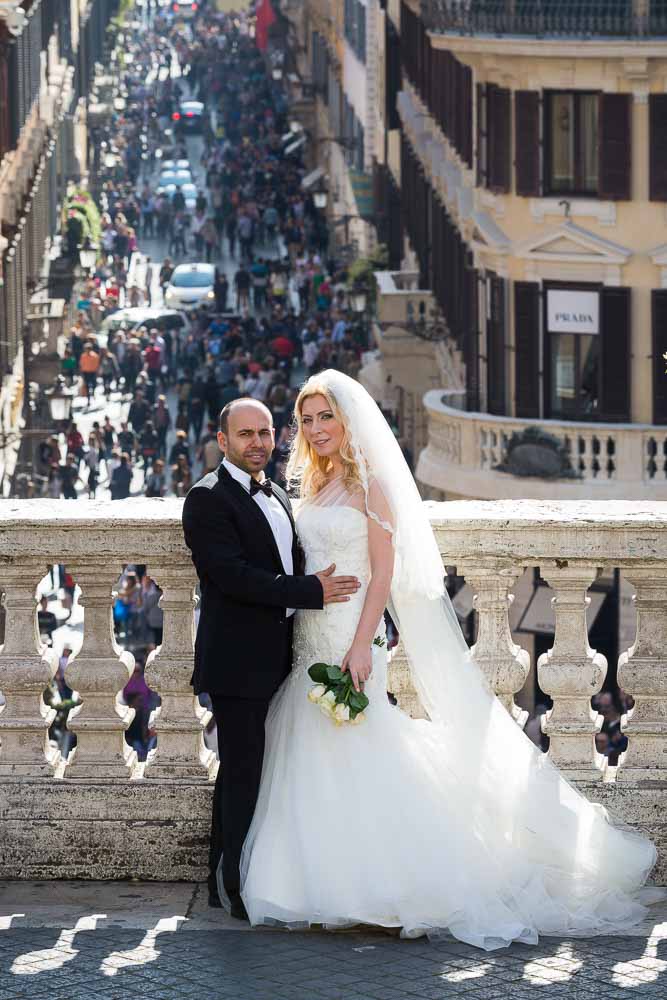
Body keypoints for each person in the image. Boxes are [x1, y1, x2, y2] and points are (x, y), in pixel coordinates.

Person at [212, 370, 665, 947]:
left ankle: (384, 881)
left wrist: (360, 645)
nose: (317, 429)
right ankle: (321, 879)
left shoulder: (372, 488)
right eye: (307, 420)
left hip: (349, 634)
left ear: (349, 421)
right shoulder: (310, 486)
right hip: (307, 635)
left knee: (359, 743)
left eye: (326, 417)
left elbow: (382, 576)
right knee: (311, 746)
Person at [181, 398, 362, 918]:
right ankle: (234, 885)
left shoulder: (278, 492)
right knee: (243, 773)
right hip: (238, 664)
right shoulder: (206, 499)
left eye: (265, 433)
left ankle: (227, 876)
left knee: (250, 771)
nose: (258, 443)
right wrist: (312, 592)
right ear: (223, 441)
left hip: (285, 657)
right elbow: (232, 576)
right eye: (245, 435)